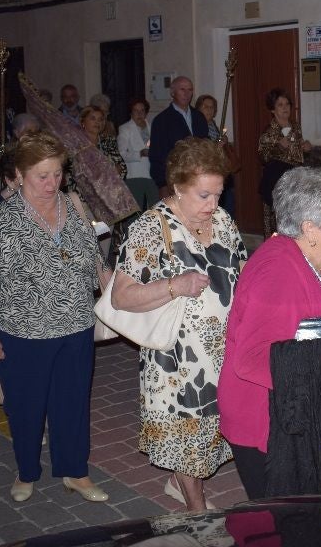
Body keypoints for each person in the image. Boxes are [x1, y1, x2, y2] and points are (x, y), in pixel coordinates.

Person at [219, 167, 321, 498]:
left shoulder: (306, 259)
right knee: (293, 528)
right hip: (276, 435)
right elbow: (251, 359)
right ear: (311, 228)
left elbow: (313, 314)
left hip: (308, 426)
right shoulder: (276, 272)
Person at [0, 132, 111, 504]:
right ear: (18, 174)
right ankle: (26, 471)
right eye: (41, 176)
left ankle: (75, 472)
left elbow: (96, 263)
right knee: (26, 407)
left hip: (76, 327)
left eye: (57, 174)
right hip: (22, 333)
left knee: (73, 404)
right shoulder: (1, 221)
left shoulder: (74, 205)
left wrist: (124, 290)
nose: (51, 184)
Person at [111, 137, 245, 511]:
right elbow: (121, 296)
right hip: (177, 359)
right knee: (187, 434)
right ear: (178, 186)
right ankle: (197, 511)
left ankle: (178, 483)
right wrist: (174, 285)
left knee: (215, 429)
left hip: (222, 349)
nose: (213, 205)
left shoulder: (221, 220)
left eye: (218, 194)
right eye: (204, 195)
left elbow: (241, 269)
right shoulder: (151, 228)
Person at [257, 88, 312, 235]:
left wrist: (305, 148)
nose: (285, 108)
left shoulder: (295, 127)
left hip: (295, 179)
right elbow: (263, 157)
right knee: (276, 222)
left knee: (295, 219)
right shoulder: (269, 131)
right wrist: (279, 147)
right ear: (272, 109)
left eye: (287, 104)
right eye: (280, 105)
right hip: (276, 180)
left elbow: (296, 155)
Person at [148, 76, 209, 193]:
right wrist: (163, 184)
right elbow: (156, 155)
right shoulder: (162, 120)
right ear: (172, 92)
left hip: (199, 179)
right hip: (174, 181)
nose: (187, 94)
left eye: (190, 90)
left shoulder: (199, 117)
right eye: (182, 89)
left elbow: (204, 146)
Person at [195, 94, 238, 217]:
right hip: (208, 172)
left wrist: (224, 142)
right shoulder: (197, 127)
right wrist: (216, 146)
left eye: (212, 107)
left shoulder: (214, 125)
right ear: (198, 109)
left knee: (228, 204)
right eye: (205, 107)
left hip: (221, 170)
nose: (209, 110)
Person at [117, 98, 160, 212]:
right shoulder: (125, 129)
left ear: (146, 112)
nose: (139, 114)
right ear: (131, 113)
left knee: (155, 210)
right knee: (135, 212)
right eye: (136, 111)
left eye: (142, 110)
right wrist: (140, 153)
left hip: (152, 175)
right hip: (134, 175)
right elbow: (122, 154)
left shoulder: (153, 127)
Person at [79, 106, 126, 180]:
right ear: (83, 121)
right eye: (93, 118)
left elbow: (122, 168)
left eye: (100, 119)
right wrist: (109, 171)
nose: (97, 122)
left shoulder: (109, 141)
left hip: (109, 187)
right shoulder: (75, 142)